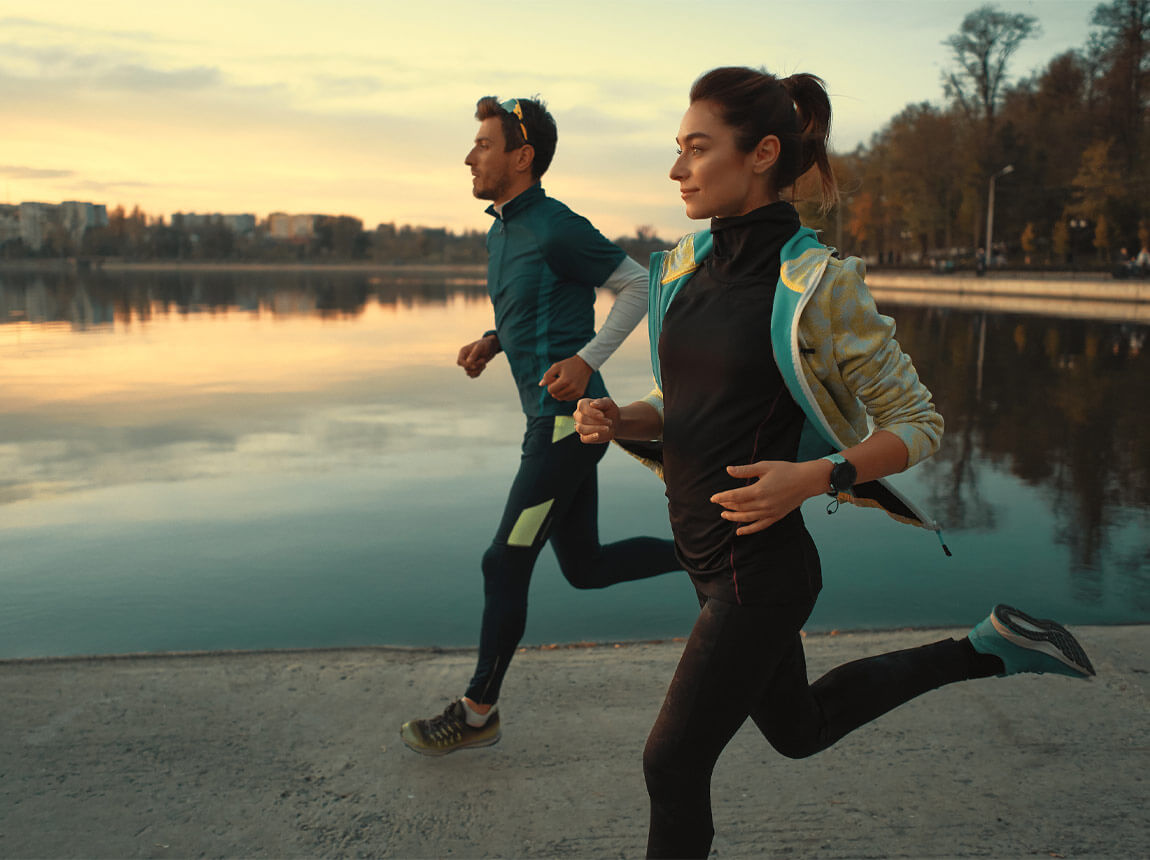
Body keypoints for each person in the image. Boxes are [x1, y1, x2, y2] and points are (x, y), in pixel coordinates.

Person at [572, 67, 1096, 858]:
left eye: (697, 148)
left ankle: (986, 649)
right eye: (677, 148)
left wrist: (815, 476)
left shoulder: (818, 285)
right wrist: (623, 417)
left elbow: (919, 424)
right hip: (704, 556)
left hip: (760, 574)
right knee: (800, 729)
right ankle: (989, 648)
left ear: (761, 154)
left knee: (671, 763)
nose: (677, 169)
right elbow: (683, 400)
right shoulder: (680, 270)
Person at [399, 96, 681, 756]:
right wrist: (494, 340)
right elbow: (537, 305)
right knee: (585, 567)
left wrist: (587, 360)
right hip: (553, 424)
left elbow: (638, 286)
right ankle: (708, 554)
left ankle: (477, 713)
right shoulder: (502, 230)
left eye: (483, 145)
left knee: (503, 562)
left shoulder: (555, 226)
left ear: (521, 157)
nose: (469, 157)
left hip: (565, 428)